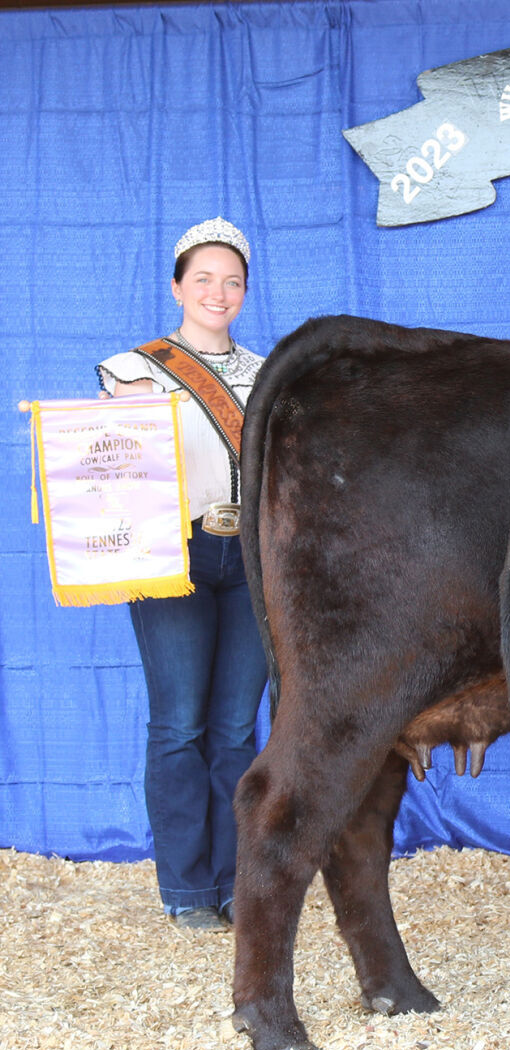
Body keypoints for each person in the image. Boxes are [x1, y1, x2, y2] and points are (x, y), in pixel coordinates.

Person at [98, 217, 269, 932]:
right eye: (203, 277)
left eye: (231, 280)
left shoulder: (267, 375)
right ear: (177, 286)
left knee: (236, 729)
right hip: (173, 549)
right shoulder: (130, 370)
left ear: (245, 292)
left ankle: (238, 882)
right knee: (177, 724)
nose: (217, 291)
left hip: (254, 555)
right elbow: (108, 467)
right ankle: (186, 888)